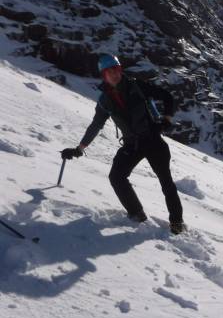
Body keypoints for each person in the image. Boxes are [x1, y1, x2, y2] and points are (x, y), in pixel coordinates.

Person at [61, 54, 184, 234]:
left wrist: (167, 118)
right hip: (131, 144)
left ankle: (177, 223)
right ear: (104, 75)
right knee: (116, 177)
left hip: (152, 140)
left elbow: (167, 97)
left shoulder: (137, 86)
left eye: (116, 70)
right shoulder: (104, 101)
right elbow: (96, 125)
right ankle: (137, 213)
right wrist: (79, 149)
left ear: (120, 70)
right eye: (109, 72)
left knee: (166, 182)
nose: (114, 74)